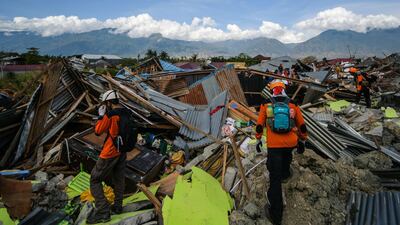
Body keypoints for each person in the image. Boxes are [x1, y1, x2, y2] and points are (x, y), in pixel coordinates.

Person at [255, 79, 308, 225]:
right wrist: (302, 140)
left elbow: (259, 124)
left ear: (271, 89)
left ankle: (276, 215)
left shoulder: (266, 104)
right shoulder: (293, 103)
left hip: (274, 145)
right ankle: (286, 173)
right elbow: (302, 125)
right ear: (284, 88)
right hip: (290, 142)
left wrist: (258, 139)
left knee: (275, 179)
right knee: (287, 157)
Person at [87, 90, 129, 224]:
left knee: (94, 179)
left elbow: (98, 131)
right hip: (122, 150)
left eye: (106, 103)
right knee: (119, 179)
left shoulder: (111, 115)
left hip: (110, 152)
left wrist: (101, 116)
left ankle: (103, 212)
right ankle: (118, 206)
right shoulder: (127, 112)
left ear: (109, 103)